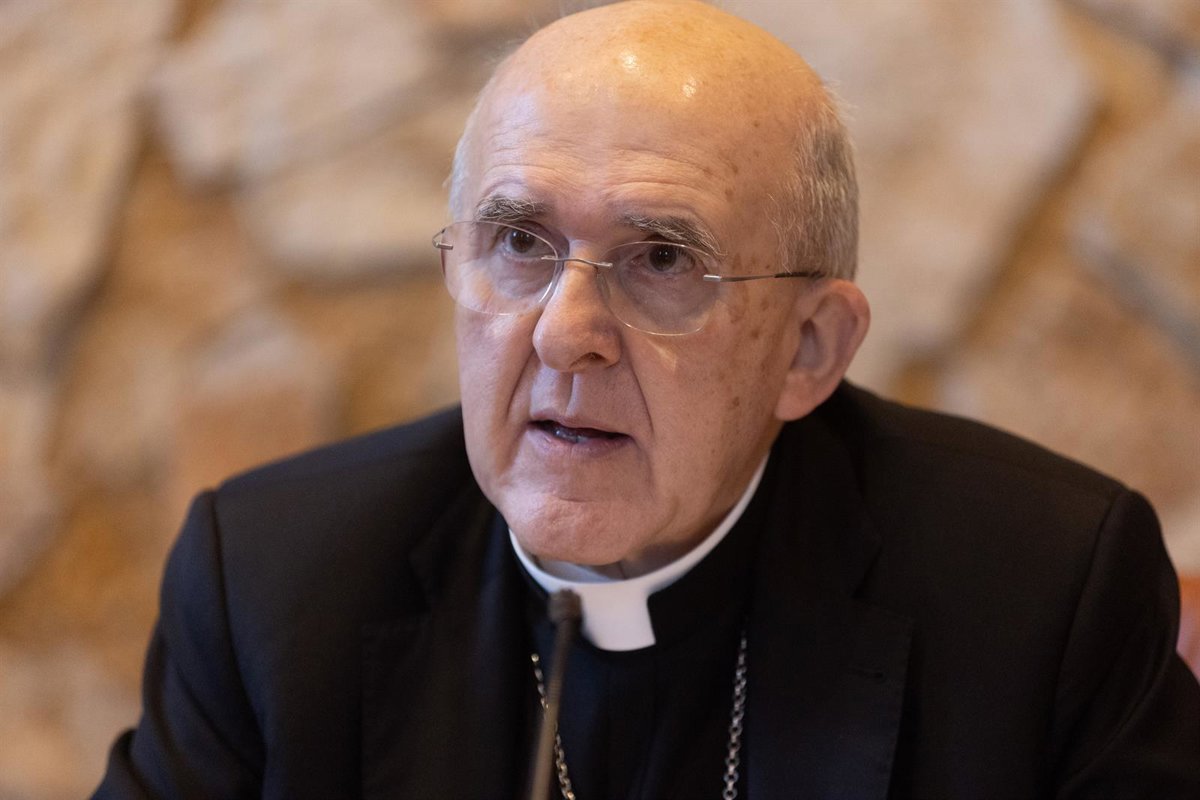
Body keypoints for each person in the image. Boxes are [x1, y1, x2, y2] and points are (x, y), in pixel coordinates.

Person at [94, 1, 1200, 797]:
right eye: (519, 242)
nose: (564, 331)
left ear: (809, 349)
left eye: (663, 259)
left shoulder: (1045, 590)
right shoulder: (271, 582)